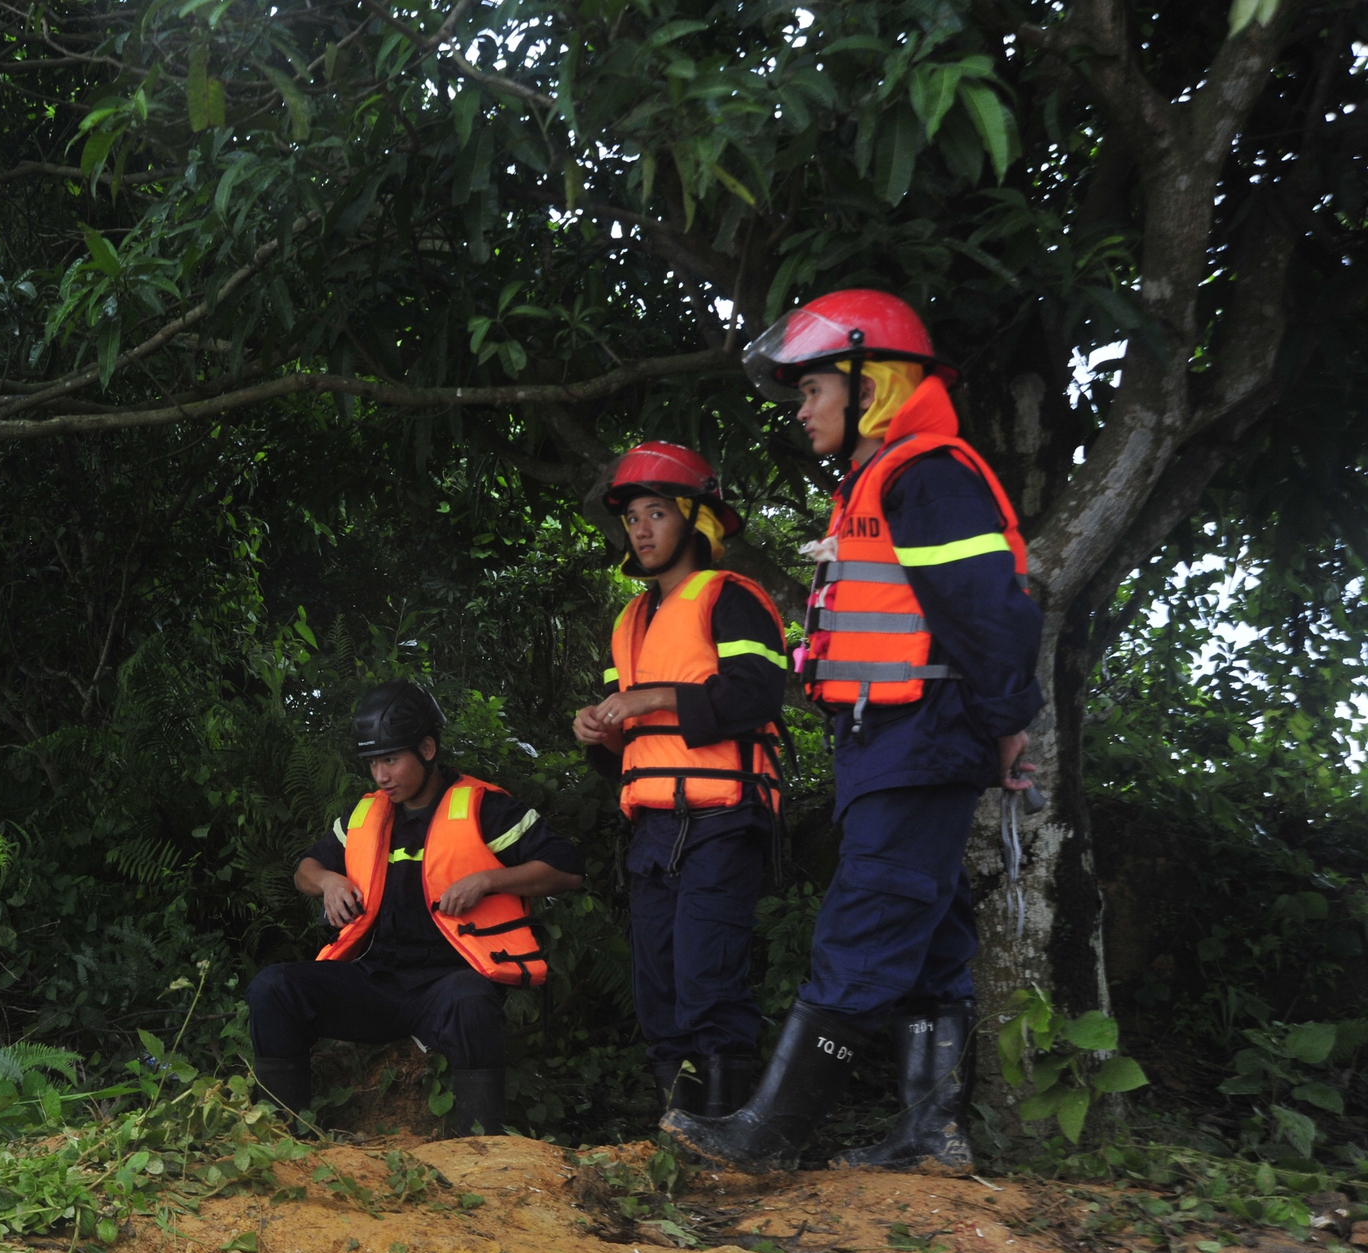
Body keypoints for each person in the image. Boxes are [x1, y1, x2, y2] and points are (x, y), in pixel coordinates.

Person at [662, 290, 1045, 1174]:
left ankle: (770, 1138)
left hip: (919, 737)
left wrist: (1004, 725)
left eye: (811, 391)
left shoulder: (927, 475)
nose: (800, 411)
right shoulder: (885, 480)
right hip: (896, 740)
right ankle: (929, 1134)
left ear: (871, 383)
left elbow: (991, 615)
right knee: (933, 932)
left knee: (864, 922)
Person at [247, 681, 584, 1135]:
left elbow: (567, 870)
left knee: (472, 1000)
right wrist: (327, 881)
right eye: (372, 763)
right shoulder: (367, 815)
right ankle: (282, 1136)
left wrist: (489, 879)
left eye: (390, 759)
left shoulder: (487, 808)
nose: (380, 776)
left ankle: (479, 1149)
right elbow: (305, 868)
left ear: (427, 749)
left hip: (447, 987)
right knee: (274, 988)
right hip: (375, 983)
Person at [573, 443, 789, 1120]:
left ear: (696, 520)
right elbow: (623, 753)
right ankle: (681, 1139)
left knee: (707, 981)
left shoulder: (733, 598)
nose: (639, 529)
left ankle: (729, 1139)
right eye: (633, 515)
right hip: (652, 831)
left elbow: (758, 693)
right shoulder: (629, 621)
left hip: (724, 819)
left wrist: (651, 699)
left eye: (656, 512)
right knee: (658, 988)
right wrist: (600, 734)